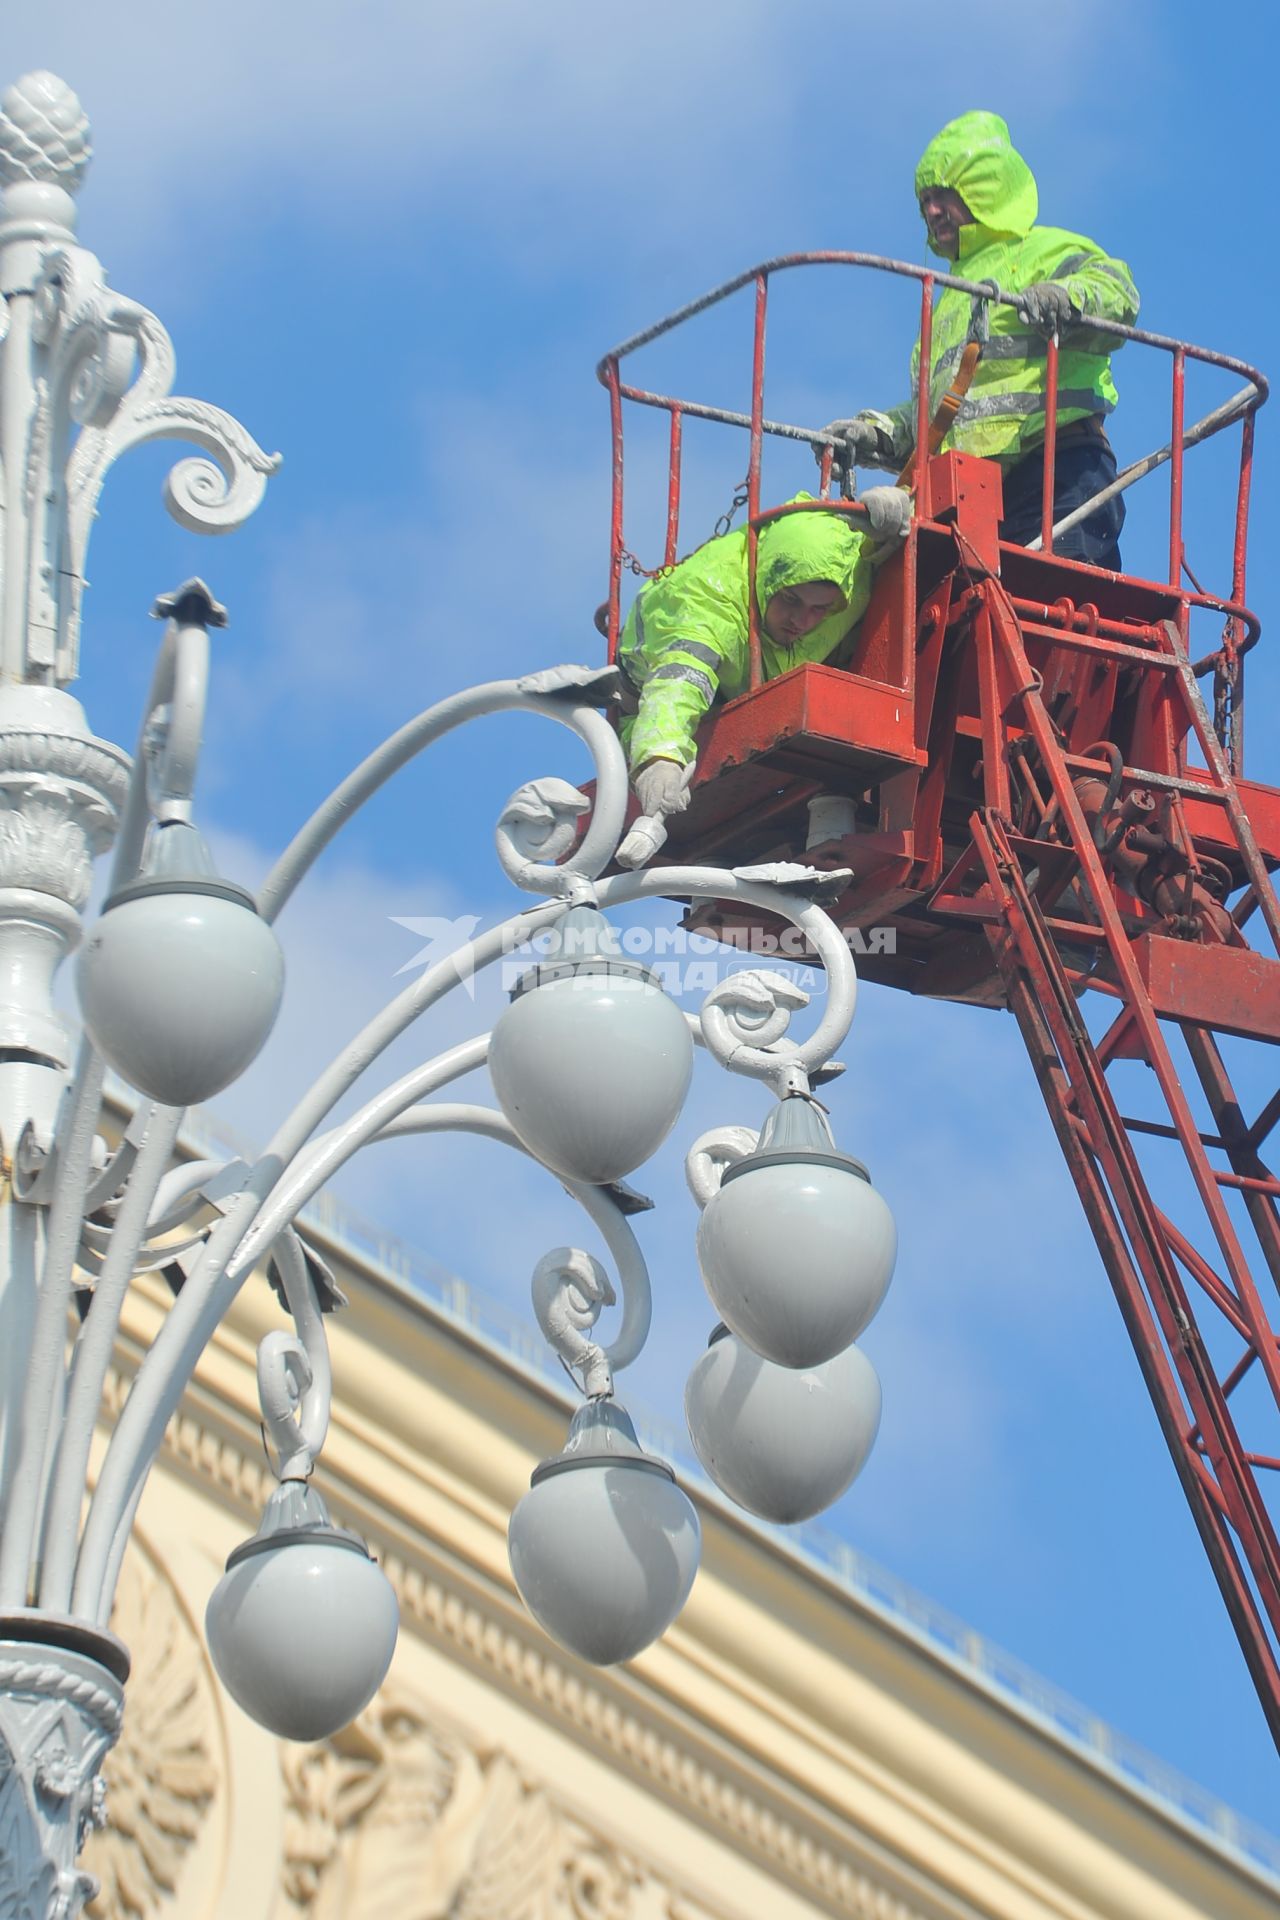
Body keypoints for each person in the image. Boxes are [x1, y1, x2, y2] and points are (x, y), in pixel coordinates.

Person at [822, 111, 1139, 568]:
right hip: (971, 495)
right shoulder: (946, 300)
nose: (931, 211)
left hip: (1056, 467)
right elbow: (939, 412)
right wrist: (877, 433)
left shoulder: (1047, 250)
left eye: (943, 196)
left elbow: (1118, 293)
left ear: (983, 190)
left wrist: (1067, 297)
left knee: (1053, 599)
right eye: (925, 200)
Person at [620, 489, 909, 820]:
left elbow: (906, 532)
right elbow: (679, 680)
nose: (801, 620)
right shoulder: (706, 600)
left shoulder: (852, 580)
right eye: (790, 600)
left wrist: (894, 512)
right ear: (770, 580)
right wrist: (660, 756)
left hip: (748, 672)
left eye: (820, 609)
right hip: (649, 696)